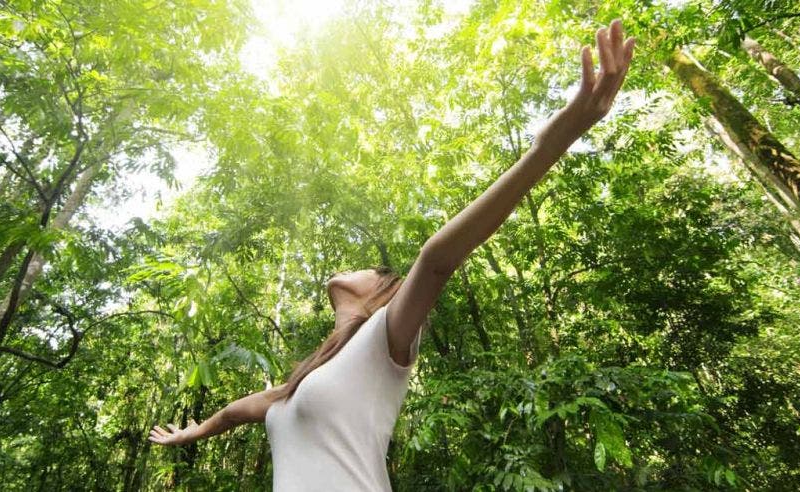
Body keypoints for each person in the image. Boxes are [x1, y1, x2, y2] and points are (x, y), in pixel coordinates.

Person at [149, 18, 635, 490]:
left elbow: (437, 259)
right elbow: (238, 410)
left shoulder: (385, 338)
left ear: (384, 292)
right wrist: (195, 431)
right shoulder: (296, 389)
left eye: (370, 269)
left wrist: (552, 143)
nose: (350, 266)